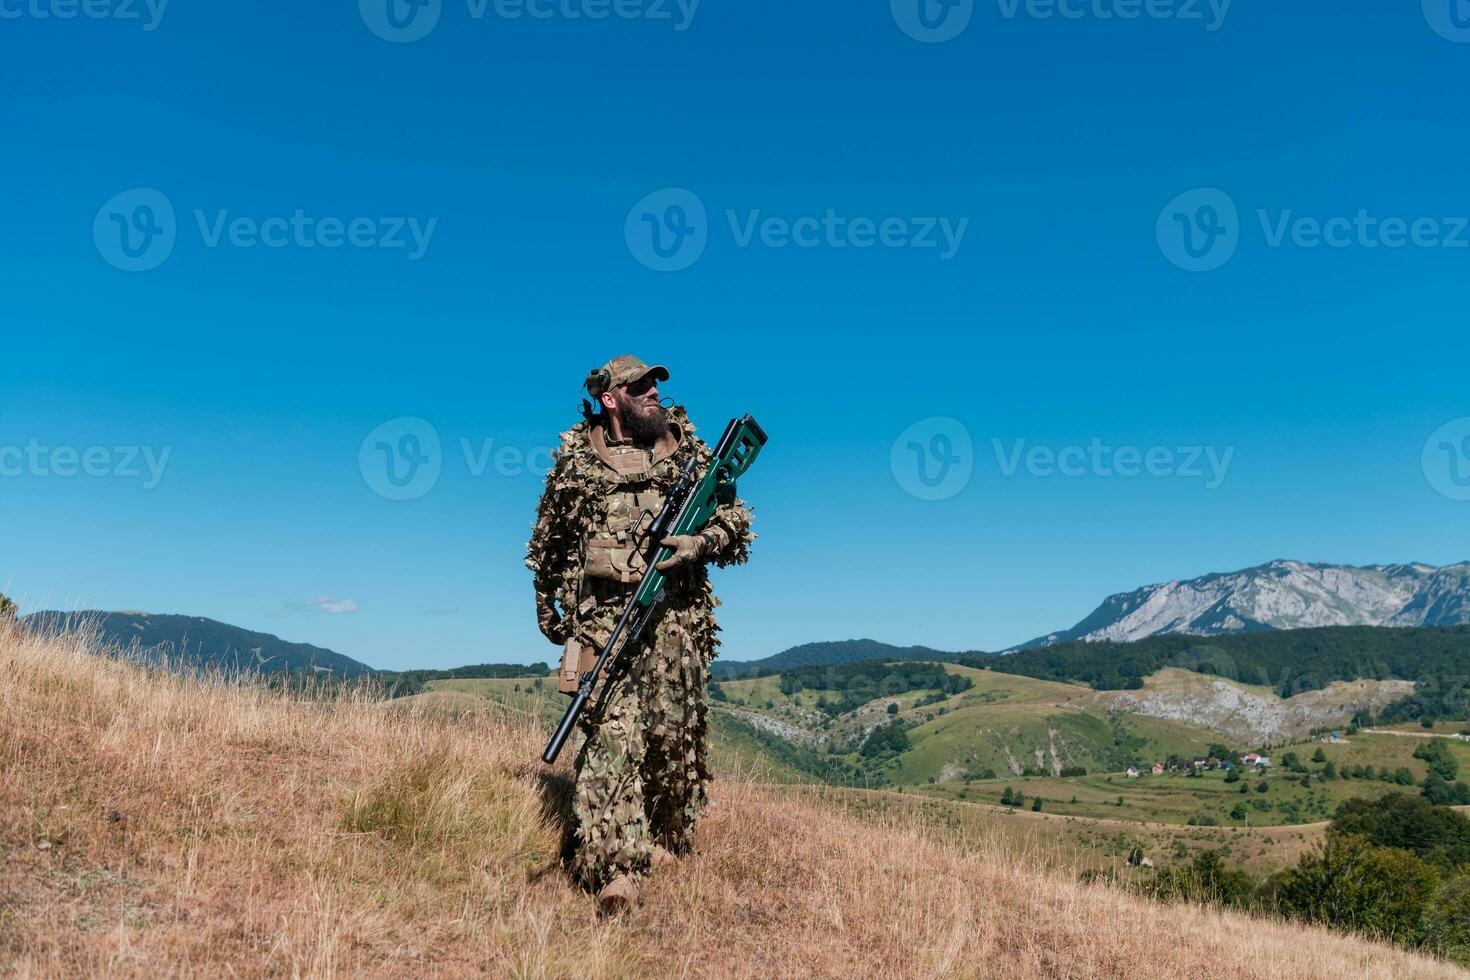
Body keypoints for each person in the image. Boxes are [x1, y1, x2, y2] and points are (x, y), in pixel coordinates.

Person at [526, 355, 755, 913]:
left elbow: (736, 520)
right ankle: (615, 872)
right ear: (612, 398)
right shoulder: (578, 460)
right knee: (609, 739)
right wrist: (551, 609)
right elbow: (550, 541)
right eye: (641, 386)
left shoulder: (689, 453)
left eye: (656, 385)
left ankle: (664, 836)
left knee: (671, 742)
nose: (654, 392)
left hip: (676, 626)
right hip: (604, 624)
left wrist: (698, 544)